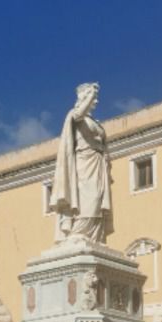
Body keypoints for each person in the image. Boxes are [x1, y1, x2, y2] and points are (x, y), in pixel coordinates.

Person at [50, 82, 112, 245]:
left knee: (98, 199)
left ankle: (95, 236)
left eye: (96, 98)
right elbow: (78, 115)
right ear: (84, 97)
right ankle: (79, 231)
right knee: (88, 198)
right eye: (93, 98)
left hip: (97, 163)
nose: (96, 101)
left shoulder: (95, 122)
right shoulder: (75, 115)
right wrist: (90, 94)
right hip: (84, 163)